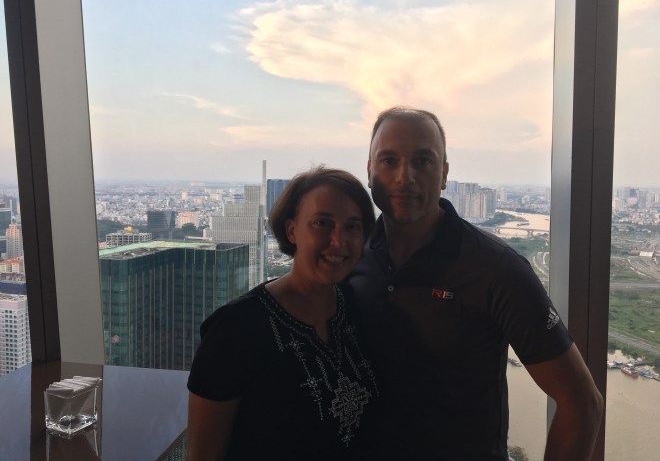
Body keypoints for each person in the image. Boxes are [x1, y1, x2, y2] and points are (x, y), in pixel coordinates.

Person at [349, 107, 604, 461]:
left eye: (423, 161)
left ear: (444, 174)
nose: (404, 177)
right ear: (369, 170)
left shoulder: (495, 268)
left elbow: (583, 402)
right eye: (389, 161)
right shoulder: (351, 256)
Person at [187, 166, 379, 461]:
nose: (339, 240)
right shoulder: (235, 330)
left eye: (352, 227)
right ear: (292, 230)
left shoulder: (356, 307)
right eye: (322, 223)